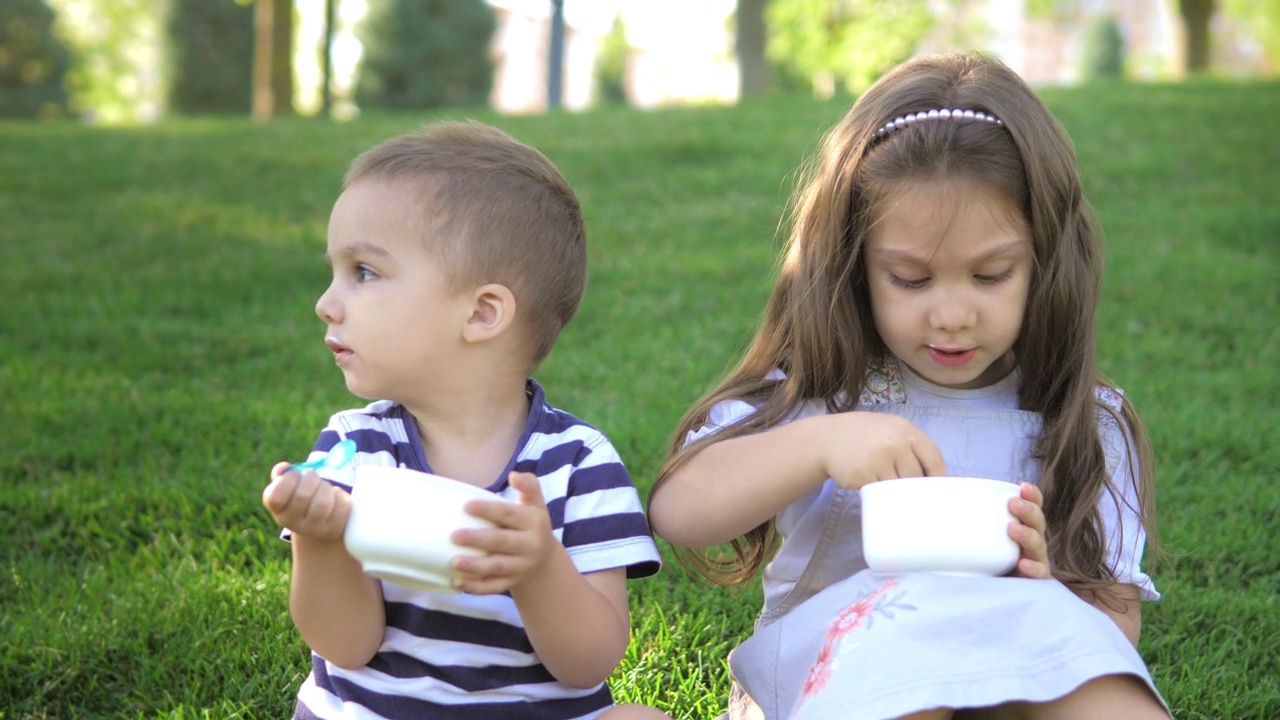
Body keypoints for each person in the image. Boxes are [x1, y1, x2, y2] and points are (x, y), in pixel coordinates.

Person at [648, 52, 1169, 719]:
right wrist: (819, 445)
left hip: (1007, 674)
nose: (951, 314)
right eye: (912, 279)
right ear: (854, 265)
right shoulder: (824, 393)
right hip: (839, 680)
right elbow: (679, 511)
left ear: (1045, 262)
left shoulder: (1083, 421)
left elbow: (1111, 635)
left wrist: (1048, 584)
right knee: (909, 675)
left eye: (990, 276)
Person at [262, 121, 668, 720]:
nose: (326, 302)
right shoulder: (355, 447)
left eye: (364, 273)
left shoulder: (579, 463)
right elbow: (344, 645)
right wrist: (322, 543)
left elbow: (589, 663)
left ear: (481, 313)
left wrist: (538, 568)